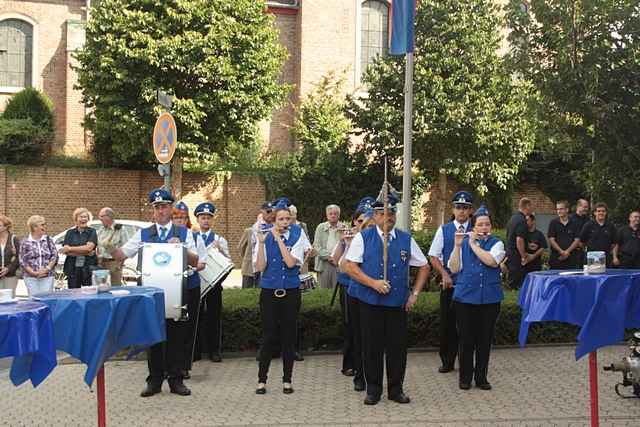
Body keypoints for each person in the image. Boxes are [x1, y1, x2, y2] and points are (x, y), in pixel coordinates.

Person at [112, 188, 205, 397]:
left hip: (178, 294)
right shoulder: (144, 233)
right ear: (152, 211)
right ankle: (154, 381)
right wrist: (108, 247)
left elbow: (196, 260)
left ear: (171, 208)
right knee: (153, 338)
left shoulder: (184, 232)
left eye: (164, 206)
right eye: (157, 207)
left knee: (177, 338)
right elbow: (122, 254)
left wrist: (181, 247)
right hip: (152, 295)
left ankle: (176, 380)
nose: (161, 211)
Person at [343, 195, 430, 405]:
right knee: (371, 348)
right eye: (382, 213)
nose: (387, 217)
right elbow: (350, 266)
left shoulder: (405, 238)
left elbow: (424, 266)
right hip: (370, 303)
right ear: (375, 215)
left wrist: (414, 294)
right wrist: (373, 283)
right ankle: (373, 390)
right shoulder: (363, 238)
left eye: (391, 213)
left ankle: (395, 389)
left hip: (396, 304)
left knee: (397, 349)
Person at [253, 200, 311, 395]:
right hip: (269, 291)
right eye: (280, 219)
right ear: (274, 220)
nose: (284, 222)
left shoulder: (298, 234)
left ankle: (287, 380)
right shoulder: (264, 235)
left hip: (291, 292)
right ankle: (262, 380)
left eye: (287, 219)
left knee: (288, 336)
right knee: (268, 336)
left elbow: (290, 262)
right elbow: (260, 267)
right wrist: (261, 244)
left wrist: (278, 239)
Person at [448, 205, 505, 391]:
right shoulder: (462, 243)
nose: (484, 228)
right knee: (466, 340)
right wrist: (458, 247)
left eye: (487, 224)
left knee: (484, 340)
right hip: (465, 299)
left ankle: (481, 377)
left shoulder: (497, 244)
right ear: (473, 227)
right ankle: (465, 378)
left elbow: (491, 261)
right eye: (480, 224)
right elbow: (454, 268)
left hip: (489, 299)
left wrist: (473, 245)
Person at [428, 191, 473, 374]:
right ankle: (447, 361)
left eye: (465, 208)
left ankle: (466, 362)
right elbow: (433, 255)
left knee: (468, 327)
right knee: (448, 325)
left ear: (470, 210)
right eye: (458, 207)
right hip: (450, 286)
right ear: (453, 209)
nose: (461, 211)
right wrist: (444, 275)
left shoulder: (476, 229)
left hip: (470, 287)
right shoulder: (444, 230)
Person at [333, 196, 375, 391]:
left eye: (367, 221)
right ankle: (356, 371)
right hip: (352, 289)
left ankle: (370, 373)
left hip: (372, 291)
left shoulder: (376, 239)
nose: (363, 225)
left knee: (371, 335)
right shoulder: (352, 238)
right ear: (354, 221)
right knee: (354, 332)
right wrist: (346, 243)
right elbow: (340, 265)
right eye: (359, 221)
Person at [171, 201, 207, 378]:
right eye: (176, 217)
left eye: (183, 217)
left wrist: (191, 266)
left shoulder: (194, 236)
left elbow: (201, 262)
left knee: (188, 327)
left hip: (190, 284)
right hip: (170, 286)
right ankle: (168, 363)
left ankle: (184, 366)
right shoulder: (165, 236)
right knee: (172, 325)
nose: (179, 220)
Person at [193, 202, 230, 364]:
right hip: (197, 283)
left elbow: (228, 261)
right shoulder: (191, 237)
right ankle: (196, 351)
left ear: (212, 220)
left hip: (214, 284)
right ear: (198, 220)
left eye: (208, 218)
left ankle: (214, 351)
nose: (206, 221)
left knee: (214, 318)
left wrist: (219, 250)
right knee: (196, 318)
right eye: (203, 218)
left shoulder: (219, 239)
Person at [19, 215, 58, 296]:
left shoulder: (48, 239)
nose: (44, 227)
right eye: (42, 225)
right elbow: (22, 260)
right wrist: (33, 273)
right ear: (34, 227)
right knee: (34, 300)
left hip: (47, 276)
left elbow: (54, 255)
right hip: (31, 277)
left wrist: (47, 269)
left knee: (46, 299)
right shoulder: (25, 242)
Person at [60, 208, 98, 289]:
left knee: (88, 292)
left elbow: (88, 248)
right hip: (72, 268)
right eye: (81, 217)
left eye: (85, 217)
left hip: (88, 268)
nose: (83, 219)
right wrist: (84, 251)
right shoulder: (70, 233)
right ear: (76, 219)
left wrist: (70, 248)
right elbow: (65, 251)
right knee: (73, 293)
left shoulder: (92, 232)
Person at [96, 207, 129, 285]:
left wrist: (120, 263)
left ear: (109, 217)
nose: (99, 218)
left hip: (114, 263)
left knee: (115, 287)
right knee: (101, 286)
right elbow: (97, 246)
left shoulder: (120, 230)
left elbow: (126, 249)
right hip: (101, 263)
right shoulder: (101, 230)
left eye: (101, 216)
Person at [579, 202, 618, 267]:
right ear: (595, 213)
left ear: (606, 213)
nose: (601, 213)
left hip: (606, 258)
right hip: (591, 258)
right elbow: (581, 242)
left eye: (603, 211)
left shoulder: (611, 226)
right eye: (598, 211)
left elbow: (614, 243)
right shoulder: (588, 225)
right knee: (591, 276)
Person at [505, 198, 532, 289]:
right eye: (531, 206)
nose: (532, 208)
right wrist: (523, 255)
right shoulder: (522, 220)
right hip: (516, 254)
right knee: (515, 281)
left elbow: (510, 236)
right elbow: (519, 240)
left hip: (510, 251)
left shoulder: (513, 218)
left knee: (512, 276)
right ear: (527, 206)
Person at [314, 204, 342, 289]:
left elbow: (346, 246)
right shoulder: (320, 227)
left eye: (335, 213)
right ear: (327, 215)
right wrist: (330, 257)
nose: (333, 215)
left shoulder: (343, 227)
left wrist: (336, 258)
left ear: (339, 215)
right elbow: (317, 246)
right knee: (323, 290)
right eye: (330, 213)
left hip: (338, 263)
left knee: (337, 290)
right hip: (324, 263)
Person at [547, 200, 581, 270]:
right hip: (557, 258)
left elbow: (577, 240)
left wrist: (567, 252)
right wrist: (561, 252)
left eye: (561, 209)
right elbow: (551, 239)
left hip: (572, 259)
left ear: (567, 210)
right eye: (557, 209)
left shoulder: (575, 223)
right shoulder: (553, 223)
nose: (559, 211)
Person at [0, 215, 20, 294]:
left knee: (8, 300)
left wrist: (8, 268)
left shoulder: (13, 239)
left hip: (11, 276)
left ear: (6, 227)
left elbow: (19, 257)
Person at [570, 198, 590, 267]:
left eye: (587, 207)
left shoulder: (588, 220)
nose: (586, 209)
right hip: (572, 251)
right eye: (585, 207)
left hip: (584, 251)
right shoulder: (570, 219)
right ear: (578, 207)